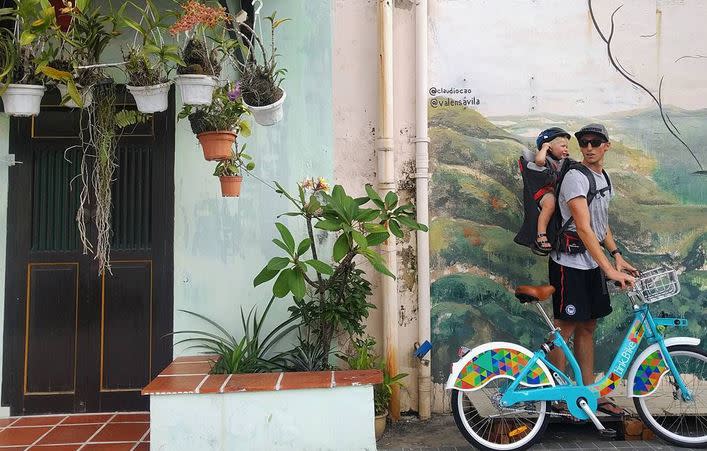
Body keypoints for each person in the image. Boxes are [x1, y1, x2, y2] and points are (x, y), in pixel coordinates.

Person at [547, 123, 637, 417]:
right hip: (569, 264)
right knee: (565, 329)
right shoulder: (576, 177)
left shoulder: (603, 176)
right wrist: (610, 270)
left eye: (595, 142)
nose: (588, 147)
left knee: (588, 326)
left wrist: (616, 255)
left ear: (606, 146)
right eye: (583, 143)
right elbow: (584, 229)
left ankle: (588, 392)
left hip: (593, 263)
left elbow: (601, 223)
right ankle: (557, 394)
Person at [532, 128, 571, 254]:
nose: (566, 149)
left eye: (567, 147)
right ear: (549, 147)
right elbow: (539, 161)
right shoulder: (546, 159)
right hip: (543, 192)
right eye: (563, 146)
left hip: (556, 191)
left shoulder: (562, 161)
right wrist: (544, 148)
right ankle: (541, 234)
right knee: (551, 203)